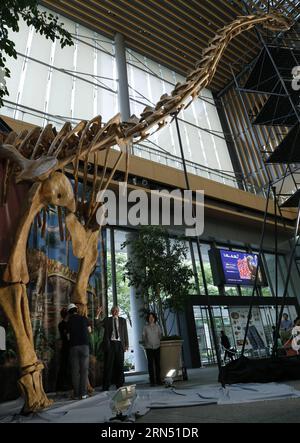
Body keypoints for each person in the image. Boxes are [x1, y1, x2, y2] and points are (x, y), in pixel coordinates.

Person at [66, 303, 91, 400]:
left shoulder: (68, 322)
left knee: (75, 371)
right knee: (84, 371)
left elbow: (68, 337)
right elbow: (89, 330)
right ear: (76, 310)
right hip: (84, 346)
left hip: (73, 347)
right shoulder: (84, 318)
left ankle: (76, 394)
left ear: (69, 312)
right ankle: (84, 394)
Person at [102, 306, 129, 391]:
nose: (115, 312)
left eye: (116, 310)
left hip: (120, 344)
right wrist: (98, 314)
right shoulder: (107, 320)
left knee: (120, 365)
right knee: (108, 365)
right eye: (113, 311)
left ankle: (120, 385)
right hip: (110, 344)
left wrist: (126, 345)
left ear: (118, 311)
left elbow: (125, 333)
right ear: (111, 312)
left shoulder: (123, 320)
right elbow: (98, 324)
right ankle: (106, 386)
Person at [142, 312, 162, 386]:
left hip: (157, 347)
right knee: (150, 365)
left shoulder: (158, 326)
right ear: (148, 319)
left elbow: (160, 335)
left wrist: (159, 342)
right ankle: (152, 381)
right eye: (149, 317)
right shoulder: (145, 327)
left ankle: (159, 380)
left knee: (157, 364)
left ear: (154, 318)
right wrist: (145, 343)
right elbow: (143, 336)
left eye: (152, 317)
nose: (151, 319)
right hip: (149, 347)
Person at [56, 307, 71, 392]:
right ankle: (61, 385)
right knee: (64, 366)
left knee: (64, 366)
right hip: (66, 347)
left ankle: (62, 385)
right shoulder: (63, 324)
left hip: (65, 347)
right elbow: (67, 336)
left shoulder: (62, 324)